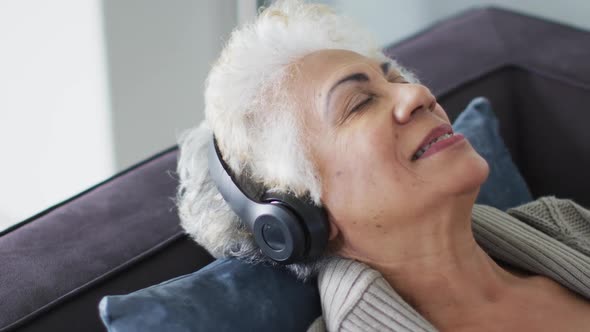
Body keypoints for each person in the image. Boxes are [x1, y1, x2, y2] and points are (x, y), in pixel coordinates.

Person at [176, 1, 590, 330]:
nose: (418, 94)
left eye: (395, 80)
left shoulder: (566, 224)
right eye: (358, 103)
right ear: (298, 215)